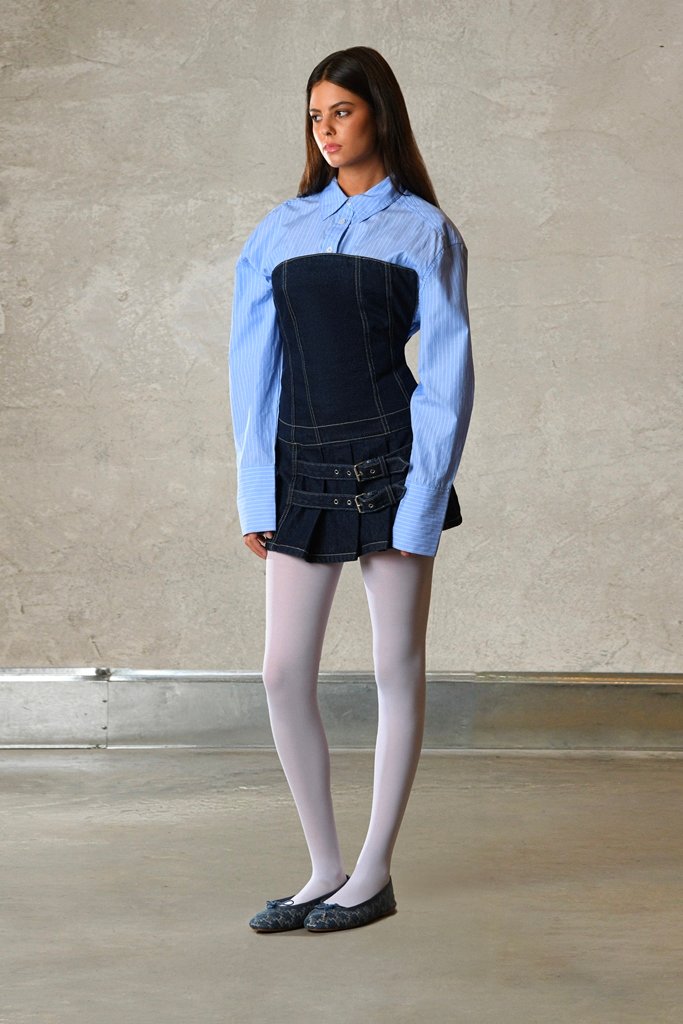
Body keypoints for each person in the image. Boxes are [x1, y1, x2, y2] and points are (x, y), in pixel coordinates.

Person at [228, 46, 474, 933]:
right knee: (281, 672)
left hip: (390, 464)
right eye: (315, 116)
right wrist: (257, 496)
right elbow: (251, 371)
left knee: (394, 668)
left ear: (379, 114)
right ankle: (322, 868)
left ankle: (371, 875)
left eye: (341, 111)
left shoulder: (425, 231)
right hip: (299, 469)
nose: (326, 131)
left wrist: (423, 499)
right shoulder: (279, 230)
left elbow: (447, 376)